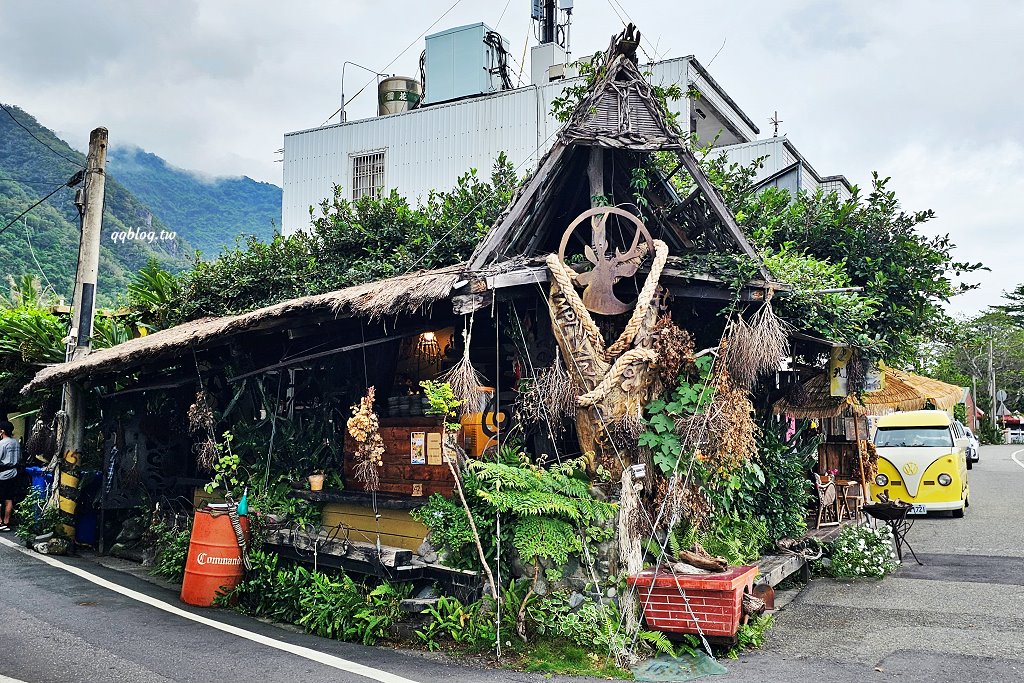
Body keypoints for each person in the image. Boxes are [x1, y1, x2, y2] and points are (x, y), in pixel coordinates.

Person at [0, 420, 21, 532]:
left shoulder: (2, 444)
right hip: (14, 473)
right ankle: (6, 522)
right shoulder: (16, 443)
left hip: (2, 474)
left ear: (2, 431)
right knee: (9, 499)